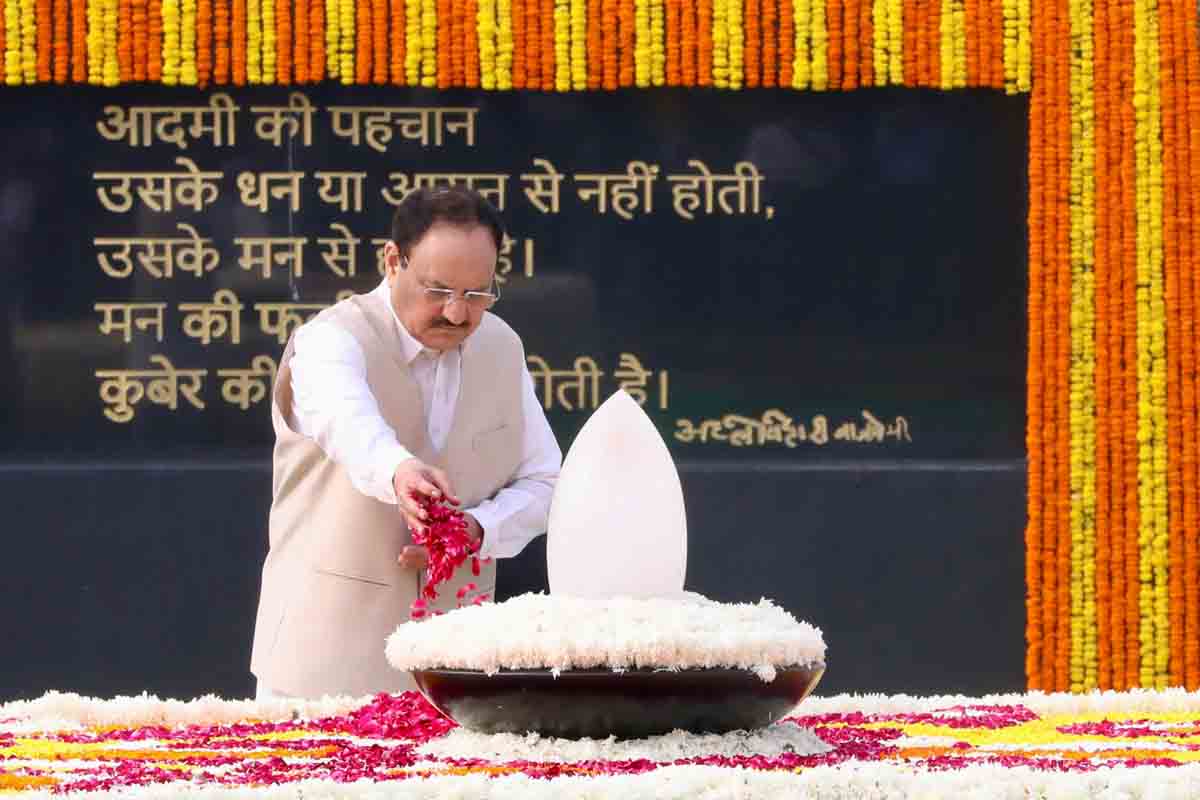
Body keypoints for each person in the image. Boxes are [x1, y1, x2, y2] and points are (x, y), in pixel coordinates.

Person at [250, 187, 561, 700]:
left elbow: (546, 480)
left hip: (458, 677)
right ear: (393, 261)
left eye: (478, 293)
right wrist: (399, 471)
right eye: (438, 290)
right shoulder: (330, 340)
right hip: (321, 673)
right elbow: (345, 420)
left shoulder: (502, 346)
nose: (458, 314)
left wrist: (479, 528)